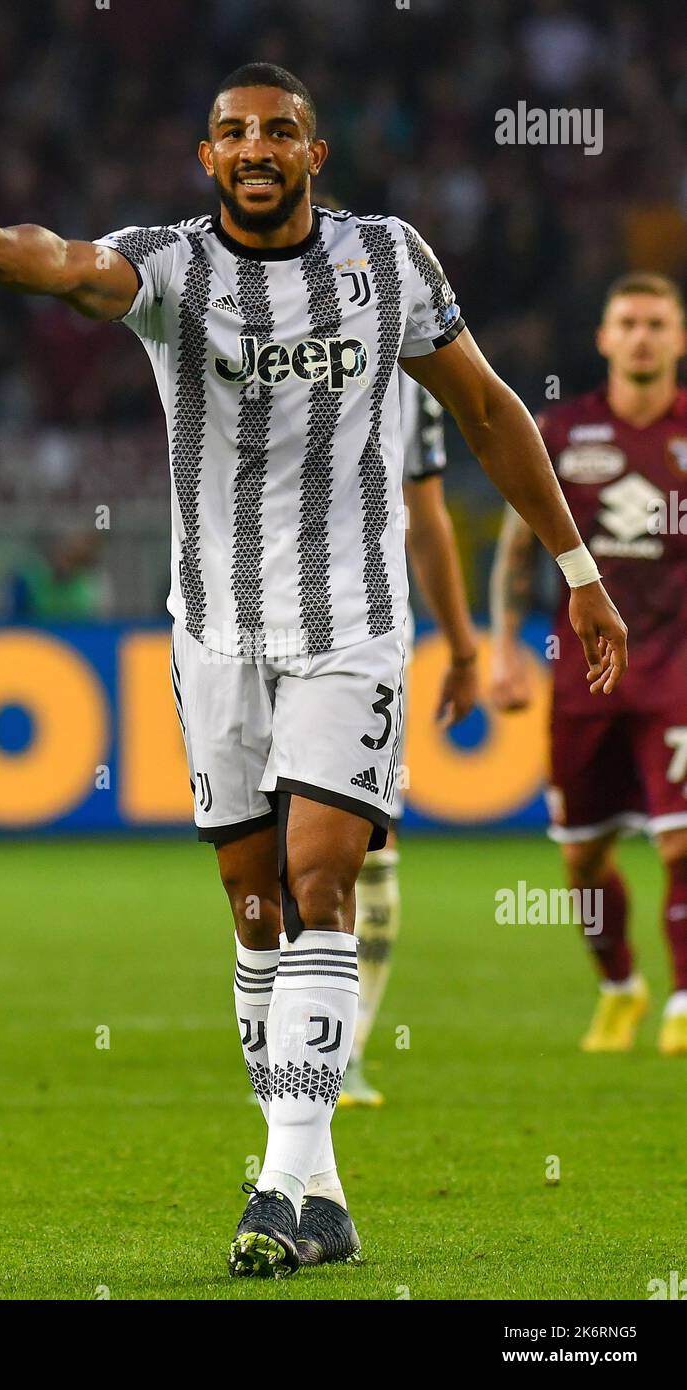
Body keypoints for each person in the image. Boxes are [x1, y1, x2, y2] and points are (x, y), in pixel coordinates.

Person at [0, 62, 627, 1279]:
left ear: (313, 153)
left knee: (318, 879)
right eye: (232, 133)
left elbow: (492, 412)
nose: (254, 148)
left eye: (277, 132)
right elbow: (72, 262)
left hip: (350, 626)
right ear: (204, 158)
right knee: (252, 912)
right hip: (215, 635)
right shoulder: (173, 269)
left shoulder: (390, 262)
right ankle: (316, 1183)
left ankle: (278, 1182)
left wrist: (577, 566)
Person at [491, 272, 687, 1056]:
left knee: (679, 841)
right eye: (627, 324)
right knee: (582, 856)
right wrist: (502, 648)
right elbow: (516, 548)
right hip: (584, 677)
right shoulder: (561, 432)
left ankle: (684, 1004)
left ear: (678, 339)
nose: (641, 336)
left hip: (677, 668)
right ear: (605, 338)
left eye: (656, 324)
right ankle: (620, 988)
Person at [344, 373, 478, 1106]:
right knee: (261, 860)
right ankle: (279, 1047)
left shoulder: (411, 370)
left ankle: (345, 1049)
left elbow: (424, 517)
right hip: (240, 631)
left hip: (364, 637)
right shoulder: (242, 317)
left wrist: (461, 645)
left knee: (364, 847)